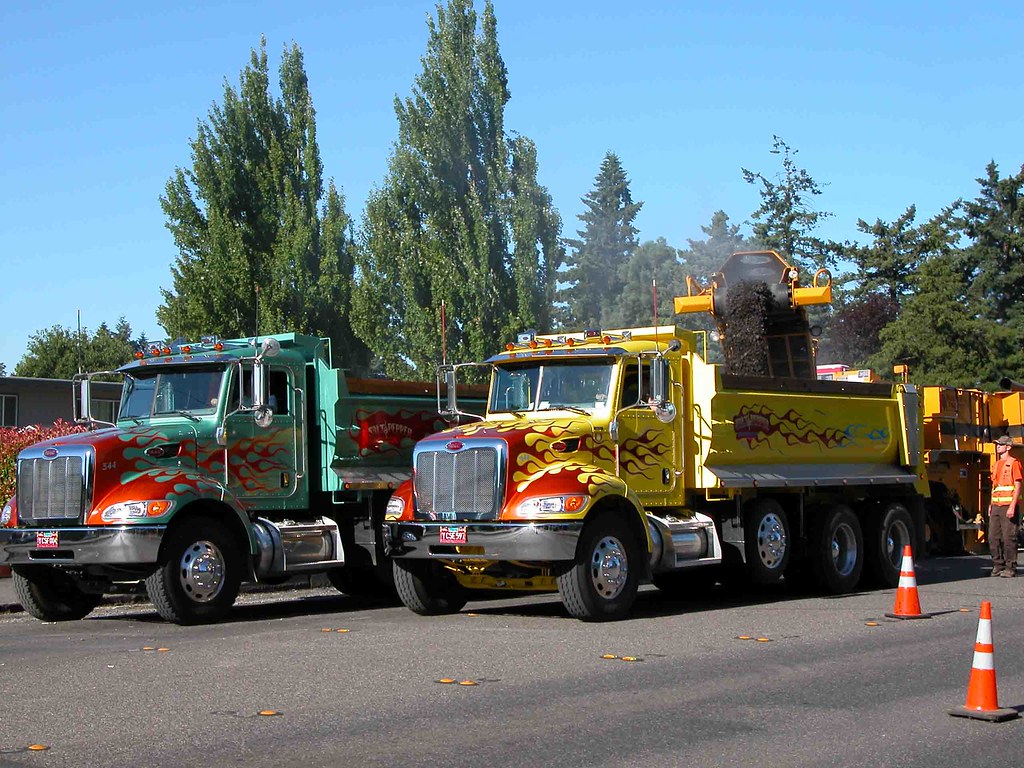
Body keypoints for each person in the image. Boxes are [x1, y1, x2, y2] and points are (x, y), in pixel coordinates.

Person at [988, 435, 1023, 577]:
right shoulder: (996, 464)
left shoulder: (1014, 463)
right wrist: (990, 504)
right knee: (993, 537)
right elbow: (994, 486)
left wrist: (1013, 506)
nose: (998, 447)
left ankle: (1010, 568)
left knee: (1009, 537)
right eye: (997, 444)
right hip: (996, 505)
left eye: (1001, 445)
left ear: (1008, 447)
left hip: (1008, 505)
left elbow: (1018, 485)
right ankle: (998, 565)